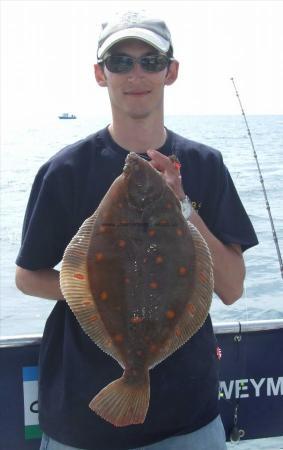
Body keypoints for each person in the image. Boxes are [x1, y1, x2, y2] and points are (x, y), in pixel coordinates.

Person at [15, 11, 258, 450]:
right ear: (100, 74)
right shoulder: (63, 171)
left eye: (151, 60)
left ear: (172, 71)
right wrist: (102, 293)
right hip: (81, 420)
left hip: (189, 418)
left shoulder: (206, 165)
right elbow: (27, 276)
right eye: (120, 62)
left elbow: (233, 289)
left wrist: (183, 205)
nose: (136, 74)